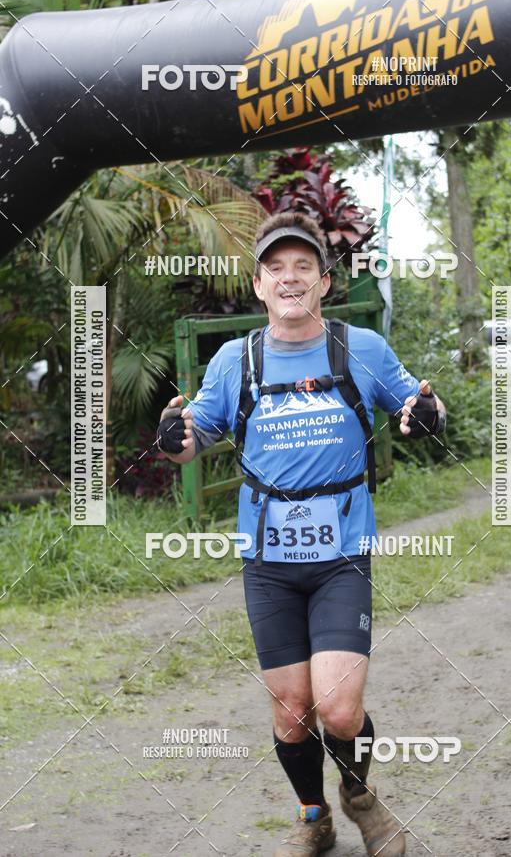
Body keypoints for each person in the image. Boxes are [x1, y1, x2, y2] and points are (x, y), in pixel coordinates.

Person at [157, 211, 446, 856]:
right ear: (259, 285)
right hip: (268, 560)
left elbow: (415, 405)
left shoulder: (360, 348)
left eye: (303, 268)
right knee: (292, 711)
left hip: (341, 553)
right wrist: (174, 440)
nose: (290, 279)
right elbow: (193, 437)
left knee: (338, 710)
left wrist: (424, 413)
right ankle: (314, 817)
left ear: (322, 282)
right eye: (276, 269)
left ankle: (361, 798)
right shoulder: (237, 359)